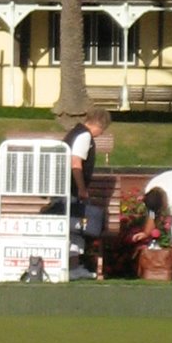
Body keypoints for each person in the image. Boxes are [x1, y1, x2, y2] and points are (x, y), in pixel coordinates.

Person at [63, 106, 112, 280]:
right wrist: (82, 189)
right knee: (75, 228)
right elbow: (76, 163)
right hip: (71, 190)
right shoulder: (85, 136)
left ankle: (72, 265)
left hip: (65, 188)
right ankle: (72, 267)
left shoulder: (74, 132)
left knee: (72, 228)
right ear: (100, 125)